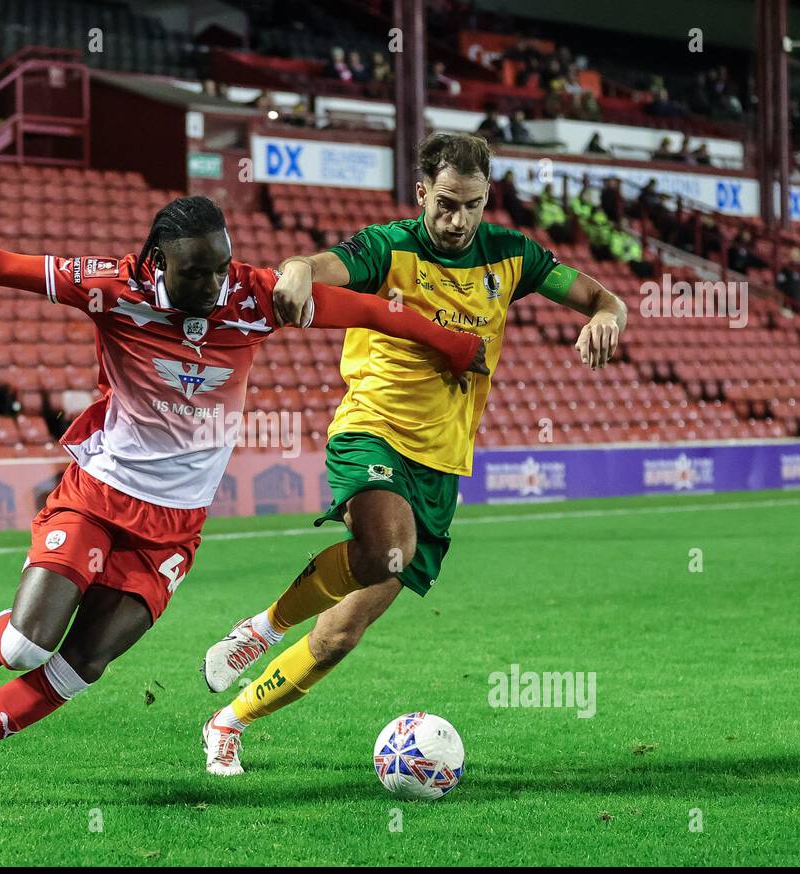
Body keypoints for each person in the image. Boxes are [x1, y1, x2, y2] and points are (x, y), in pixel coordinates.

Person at [0, 185, 489, 812]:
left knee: (79, 669)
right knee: (29, 647)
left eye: (222, 266)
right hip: (98, 495)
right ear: (158, 261)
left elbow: (369, 309)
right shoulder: (110, 287)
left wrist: (454, 344)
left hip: (173, 531)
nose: (215, 283)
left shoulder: (253, 298)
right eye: (197, 271)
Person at [197, 132, 629, 775]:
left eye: (473, 205)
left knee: (342, 633)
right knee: (383, 546)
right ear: (423, 192)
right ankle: (259, 630)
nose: (457, 221)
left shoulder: (512, 256)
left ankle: (228, 723)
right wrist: (295, 269)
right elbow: (322, 267)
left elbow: (600, 296)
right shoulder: (390, 247)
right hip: (372, 432)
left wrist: (608, 315)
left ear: (488, 200)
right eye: (446, 203)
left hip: (442, 465)